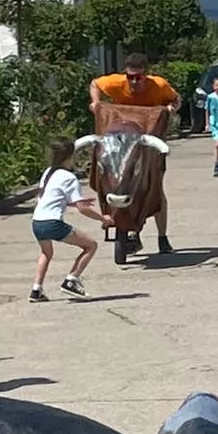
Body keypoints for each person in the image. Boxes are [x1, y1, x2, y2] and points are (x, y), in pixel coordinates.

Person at [89, 51, 180, 252]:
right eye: (130, 77)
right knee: (116, 180)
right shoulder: (116, 82)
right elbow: (95, 83)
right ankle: (125, 227)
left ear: (145, 75)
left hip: (148, 144)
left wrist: (171, 109)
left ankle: (162, 237)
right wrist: (96, 102)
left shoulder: (158, 85)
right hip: (120, 144)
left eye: (138, 77)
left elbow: (175, 99)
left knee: (155, 187)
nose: (133, 81)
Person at [30, 137, 113, 302]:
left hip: (37, 222)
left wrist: (76, 202)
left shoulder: (48, 172)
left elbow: (52, 197)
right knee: (90, 245)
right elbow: (84, 210)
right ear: (68, 158)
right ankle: (72, 280)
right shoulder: (69, 178)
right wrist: (103, 218)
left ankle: (36, 290)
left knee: (46, 253)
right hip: (53, 223)